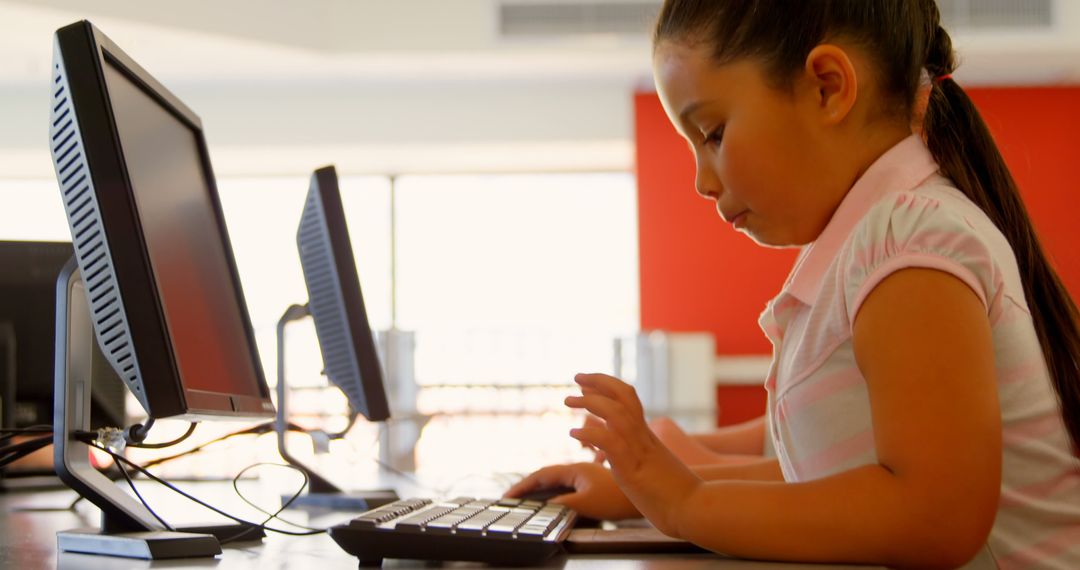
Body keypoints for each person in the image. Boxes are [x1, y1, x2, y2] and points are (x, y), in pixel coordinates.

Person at [506, 1, 1080, 567]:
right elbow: (826, 474)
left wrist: (687, 502)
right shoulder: (881, 243)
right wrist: (648, 485)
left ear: (828, 87)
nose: (703, 182)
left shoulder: (908, 244)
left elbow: (936, 516)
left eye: (713, 133)